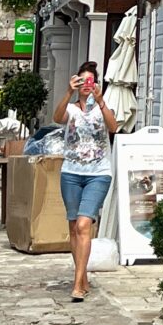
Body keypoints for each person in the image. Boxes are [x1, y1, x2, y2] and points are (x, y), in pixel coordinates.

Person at [52, 61, 118, 305]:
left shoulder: (101, 108)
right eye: (82, 82)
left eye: (90, 81)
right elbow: (57, 117)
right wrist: (68, 91)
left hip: (98, 173)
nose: (86, 86)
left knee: (83, 225)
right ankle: (82, 277)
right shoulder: (72, 109)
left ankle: (77, 283)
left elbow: (114, 127)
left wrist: (101, 100)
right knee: (73, 227)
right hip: (71, 172)